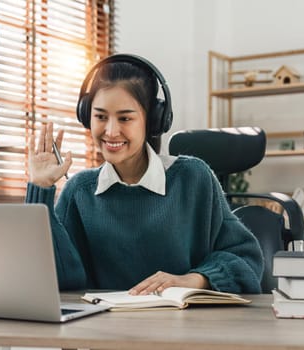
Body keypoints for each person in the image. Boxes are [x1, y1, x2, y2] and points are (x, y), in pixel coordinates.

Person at [26, 54, 264, 295]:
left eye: (125, 118)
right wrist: (40, 188)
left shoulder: (193, 178)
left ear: (152, 121)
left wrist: (195, 280)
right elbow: (51, 278)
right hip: (104, 329)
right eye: (100, 116)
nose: (110, 131)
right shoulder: (79, 191)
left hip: (187, 327)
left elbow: (245, 260)